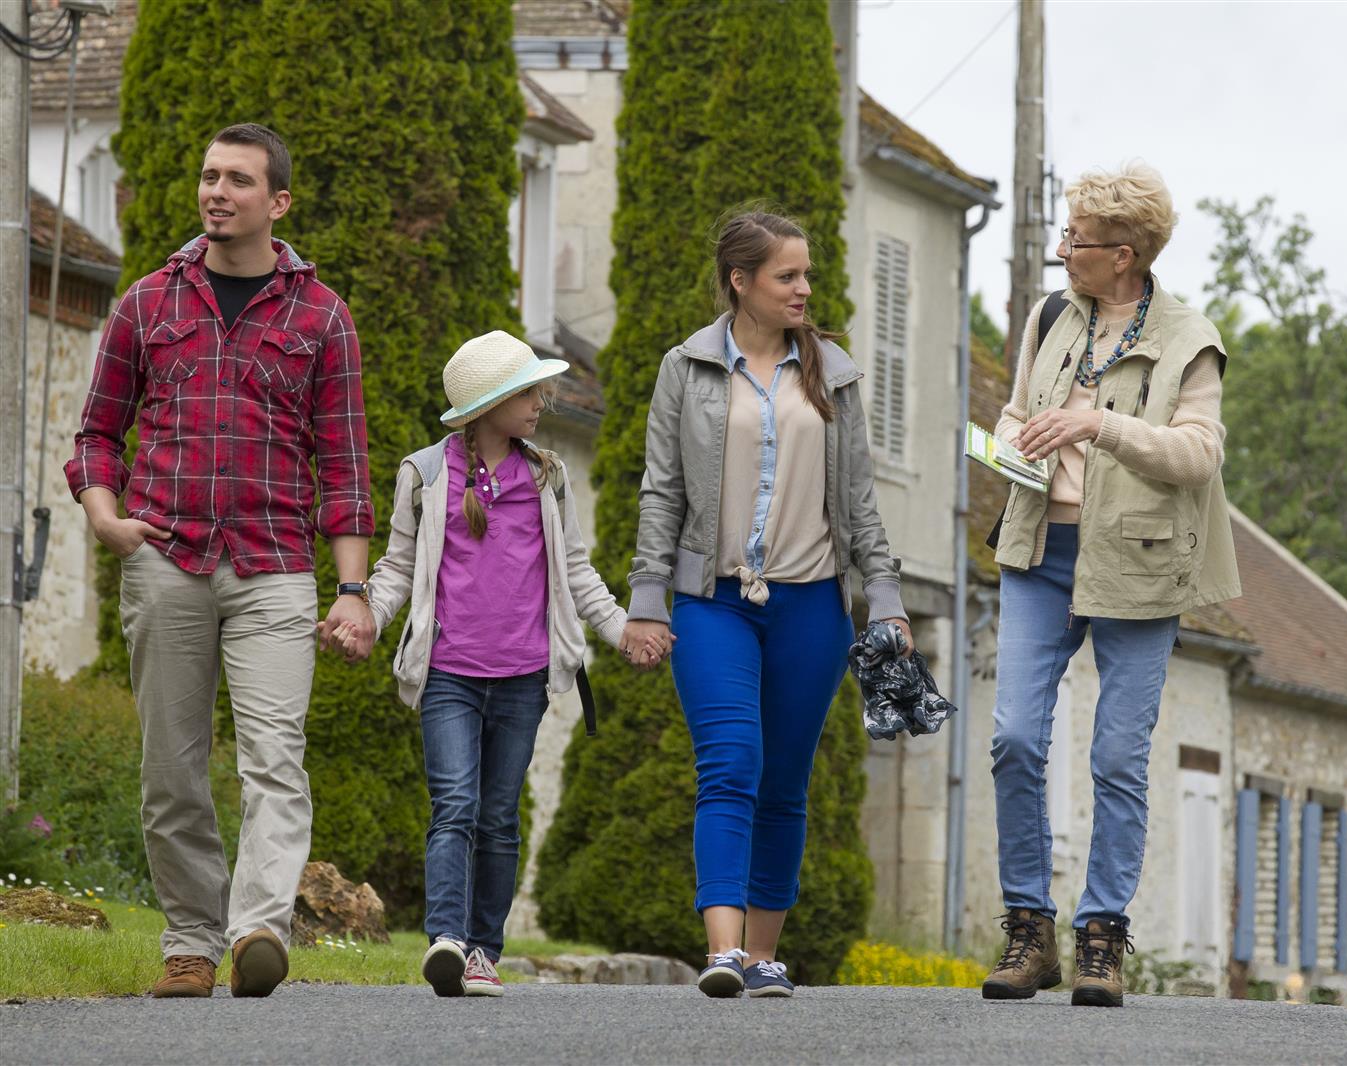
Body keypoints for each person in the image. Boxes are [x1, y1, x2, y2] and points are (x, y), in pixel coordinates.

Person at [64, 123, 374, 998]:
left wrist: (351, 589)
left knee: (274, 756)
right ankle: (189, 944)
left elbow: (345, 465)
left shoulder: (322, 316)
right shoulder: (145, 303)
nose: (217, 191)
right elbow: (97, 433)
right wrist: (104, 517)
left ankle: (258, 932)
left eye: (238, 179)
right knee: (172, 766)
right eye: (208, 175)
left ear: (277, 202)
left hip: (275, 567)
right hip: (165, 559)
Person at [327, 331, 671, 997]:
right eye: (529, 391)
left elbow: (575, 569)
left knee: (498, 817)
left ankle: (484, 950)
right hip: (449, 675)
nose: (544, 401)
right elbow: (398, 570)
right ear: (489, 405)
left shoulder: (546, 474)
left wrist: (621, 627)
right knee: (454, 802)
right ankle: (447, 941)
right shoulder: (424, 475)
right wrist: (364, 612)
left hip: (524, 677)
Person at [622, 211, 912, 998]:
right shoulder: (685, 368)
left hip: (811, 607)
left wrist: (884, 599)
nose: (804, 289)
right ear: (740, 281)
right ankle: (722, 952)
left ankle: (762, 955)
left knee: (784, 780)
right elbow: (663, 492)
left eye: (806, 275)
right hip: (714, 603)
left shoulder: (835, 375)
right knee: (730, 764)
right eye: (788, 276)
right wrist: (648, 602)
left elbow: (859, 501)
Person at [982, 163, 1241, 1007]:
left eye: (1077, 240)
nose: (1063, 251)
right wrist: (1010, 438)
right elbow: (1020, 411)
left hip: (1140, 559)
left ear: (1123, 254)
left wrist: (1102, 424)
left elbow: (1199, 454)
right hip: (1039, 547)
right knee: (1016, 738)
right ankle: (1029, 930)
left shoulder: (1188, 338)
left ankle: (1101, 937)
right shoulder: (1051, 315)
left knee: (1117, 758)